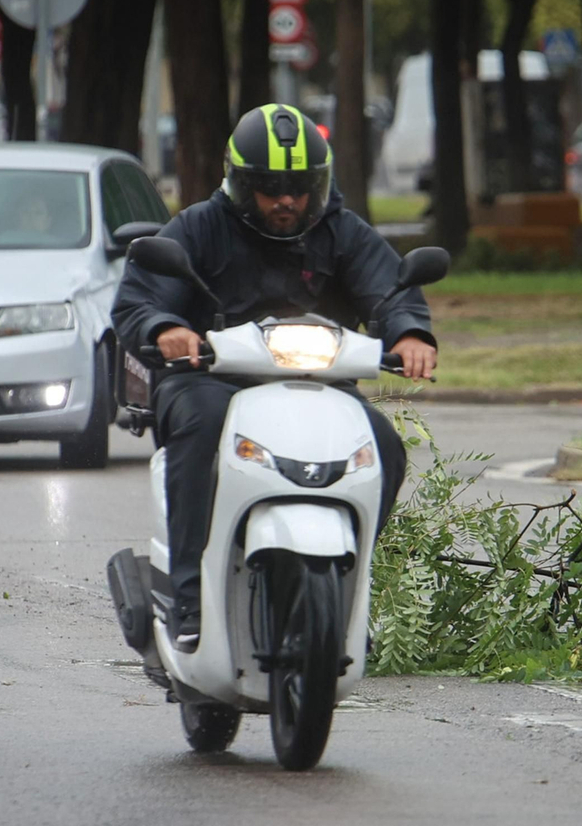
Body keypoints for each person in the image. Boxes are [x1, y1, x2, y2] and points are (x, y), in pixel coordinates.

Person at [112, 103, 438, 651]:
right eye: (268, 187)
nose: (286, 200)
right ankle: (188, 597)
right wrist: (165, 326)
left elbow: (388, 287)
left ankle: (349, 592)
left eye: (299, 187)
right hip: (208, 381)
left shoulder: (342, 232)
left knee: (384, 444)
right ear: (241, 183)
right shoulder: (198, 226)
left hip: (319, 382)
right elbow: (141, 298)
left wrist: (408, 332)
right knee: (201, 424)